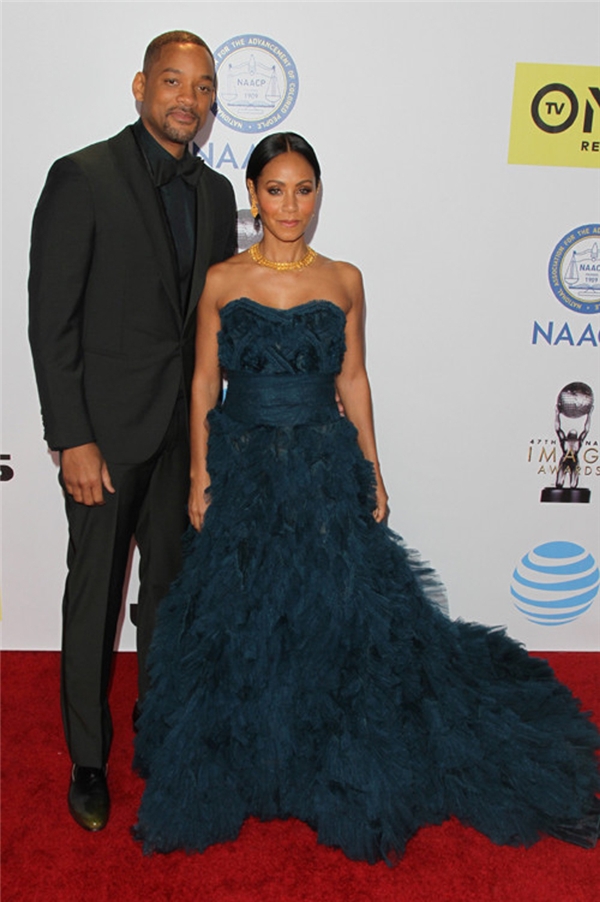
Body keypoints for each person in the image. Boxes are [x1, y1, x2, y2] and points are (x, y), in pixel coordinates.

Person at [133, 133, 599, 862]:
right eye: (276, 190)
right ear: (253, 195)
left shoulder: (344, 278)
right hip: (244, 467)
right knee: (240, 616)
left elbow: (352, 377)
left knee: (335, 615)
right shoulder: (222, 279)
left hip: (323, 467)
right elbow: (202, 383)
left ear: (319, 195)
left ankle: (324, 754)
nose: (291, 205)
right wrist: (199, 475)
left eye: (304, 189)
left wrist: (374, 468)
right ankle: (251, 757)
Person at [28, 30, 237, 832]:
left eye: (203, 86)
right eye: (173, 81)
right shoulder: (82, 177)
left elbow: (207, 328)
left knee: (170, 596)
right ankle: (89, 759)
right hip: (105, 441)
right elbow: (52, 323)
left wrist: (213, 436)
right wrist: (72, 437)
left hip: (185, 433)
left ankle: (162, 726)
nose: (189, 98)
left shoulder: (216, 195)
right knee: (96, 598)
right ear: (141, 85)